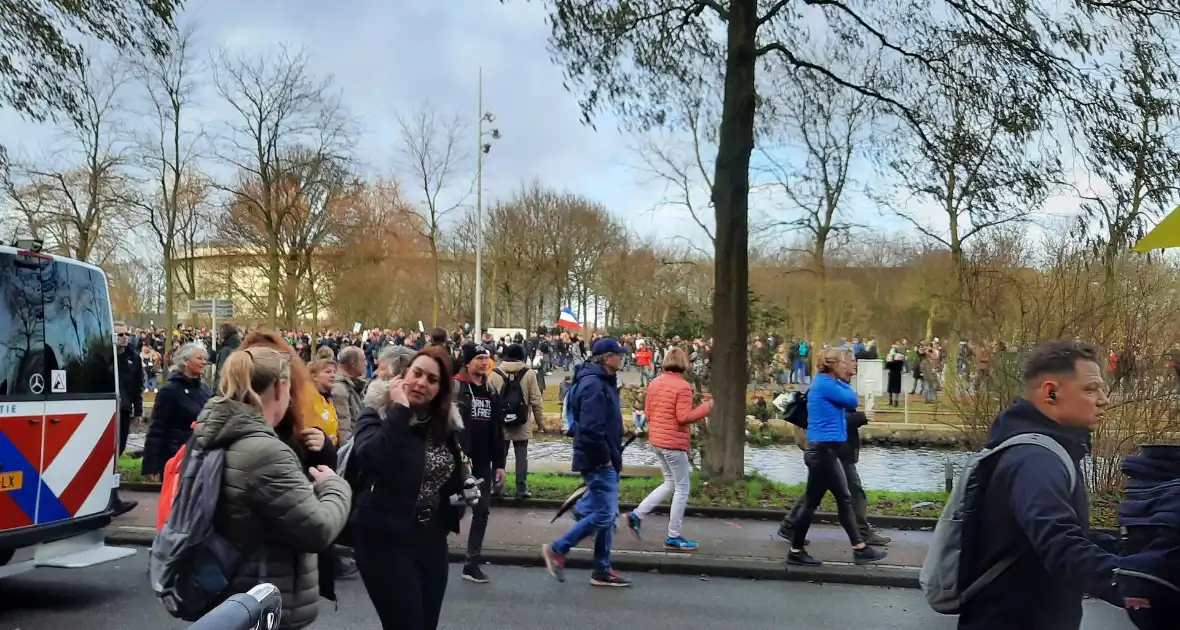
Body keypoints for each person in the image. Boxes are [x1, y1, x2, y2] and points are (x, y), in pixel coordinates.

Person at [957, 340, 1121, 630]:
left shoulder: (1040, 448)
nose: (1103, 399)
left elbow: (1056, 537)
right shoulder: (1036, 460)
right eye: (1090, 389)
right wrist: (1136, 584)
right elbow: (1060, 544)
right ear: (1051, 392)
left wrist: (1137, 553)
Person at [193, 346, 350, 630]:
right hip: (262, 601)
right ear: (280, 387)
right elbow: (318, 530)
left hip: (224, 592)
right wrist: (335, 487)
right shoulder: (266, 452)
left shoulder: (210, 434)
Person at [349, 346, 479, 629]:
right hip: (383, 539)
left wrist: (464, 486)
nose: (421, 382)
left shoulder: (444, 426)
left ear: (440, 390)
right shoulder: (378, 413)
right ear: (404, 374)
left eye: (432, 380)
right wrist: (400, 410)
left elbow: (450, 470)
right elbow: (370, 457)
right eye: (417, 373)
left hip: (430, 539)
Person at [541, 337, 631, 587]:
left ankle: (601, 569)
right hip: (599, 460)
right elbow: (591, 428)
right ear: (607, 358)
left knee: (607, 515)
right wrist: (604, 460)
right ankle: (558, 549)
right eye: (617, 354)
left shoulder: (602, 382)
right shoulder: (594, 385)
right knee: (605, 514)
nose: (621, 357)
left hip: (605, 456)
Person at [787, 349, 888, 567]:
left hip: (826, 451)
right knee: (824, 501)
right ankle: (797, 549)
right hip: (822, 452)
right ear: (833, 365)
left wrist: (841, 379)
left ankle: (858, 549)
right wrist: (843, 380)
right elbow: (851, 400)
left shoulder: (826, 384)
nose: (847, 367)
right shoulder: (825, 384)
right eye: (843, 363)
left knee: (837, 499)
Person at [624, 347, 712, 551]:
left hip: (657, 442)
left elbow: (647, 412)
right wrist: (707, 407)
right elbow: (683, 417)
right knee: (682, 488)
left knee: (670, 482)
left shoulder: (655, 383)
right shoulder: (683, 387)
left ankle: (637, 514)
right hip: (674, 444)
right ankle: (673, 536)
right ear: (684, 363)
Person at [453, 342, 506, 583]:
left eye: (486, 358)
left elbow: (497, 429)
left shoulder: (490, 390)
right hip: (459, 459)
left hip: (483, 460)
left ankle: (471, 563)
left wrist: (500, 464)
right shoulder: (455, 388)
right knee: (451, 508)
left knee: (481, 510)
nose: (484, 363)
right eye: (479, 359)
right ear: (467, 362)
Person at [141, 342, 212, 480]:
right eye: (199, 358)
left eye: (205, 358)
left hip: (200, 457)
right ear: (185, 361)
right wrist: (151, 464)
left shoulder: (205, 389)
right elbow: (157, 428)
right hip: (176, 459)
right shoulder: (170, 391)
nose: (204, 362)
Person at [493, 343, 546, 499]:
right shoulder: (529, 374)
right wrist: (540, 423)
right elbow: (536, 400)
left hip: (500, 423)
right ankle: (521, 489)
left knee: (499, 456)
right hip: (522, 422)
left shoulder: (494, 373)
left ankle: (496, 488)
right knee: (521, 456)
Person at [114, 324, 144, 514]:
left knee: (119, 450)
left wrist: (138, 411)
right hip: (105, 409)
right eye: (119, 334)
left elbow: (137, 385)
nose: (124, 337)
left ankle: (112, 498)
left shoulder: (133, 357)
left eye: (126, 334)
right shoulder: (104, 357)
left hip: (124, 410)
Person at [332, 345, 367, 445]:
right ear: (353, 363)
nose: (366, 364)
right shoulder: (340, 389)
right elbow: (343, 428)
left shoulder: (352, 385)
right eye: (363, 360)